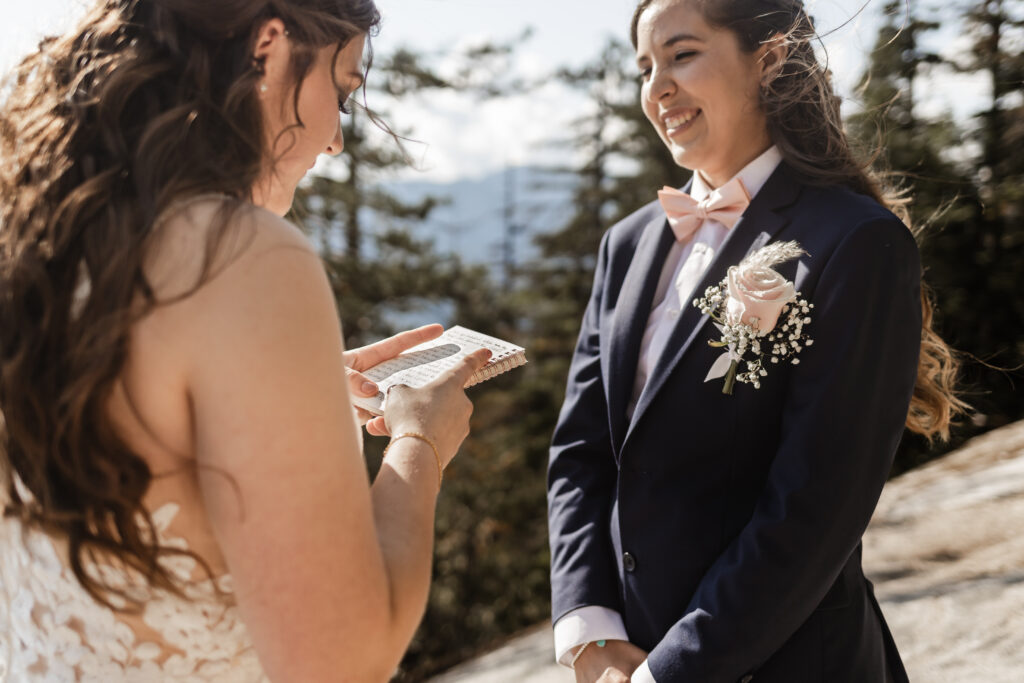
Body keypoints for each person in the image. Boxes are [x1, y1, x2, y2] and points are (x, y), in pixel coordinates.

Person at [0, 1, 490, 681]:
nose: (335, 140)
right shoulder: (243, 258)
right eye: (341, 91)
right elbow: (342, 662)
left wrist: (286, 395)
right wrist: (420, 444)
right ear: (268, 47)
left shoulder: (37, 240)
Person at [546, 1, 965, 682]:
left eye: (682, 55)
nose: (656, 89)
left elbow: (817, 505)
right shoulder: (626, 245)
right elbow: (581, 451)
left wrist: (674, 670)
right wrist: (589, 627)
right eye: (645, 67)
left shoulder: (855, 241)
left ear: (767, 58)